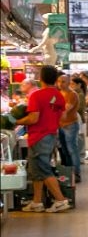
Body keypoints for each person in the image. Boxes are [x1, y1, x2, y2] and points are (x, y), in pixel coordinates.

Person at [14, 65, 72, 212]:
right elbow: (63, 117)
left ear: (41, 78)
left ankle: (61, 200)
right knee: (35, 170)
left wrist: (15, 121)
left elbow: (33, 118)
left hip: (39, 135)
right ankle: (37, 201)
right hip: (51, 134)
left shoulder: (36, 95)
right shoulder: (58, 95)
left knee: (43, 169)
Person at [56, 72, 81, 184]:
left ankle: (76, 173)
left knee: (72, 149)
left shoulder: (72, 94)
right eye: (59, 81)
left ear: (68, 82)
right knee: (64, 150)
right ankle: (67, 171)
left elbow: (66, 110)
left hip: (70, 125)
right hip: (61, 125)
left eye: (63, 82)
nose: (60, 84)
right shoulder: (58, 94)